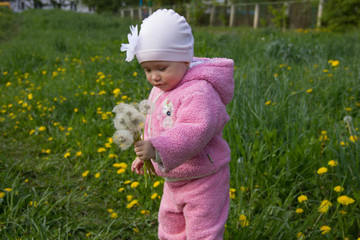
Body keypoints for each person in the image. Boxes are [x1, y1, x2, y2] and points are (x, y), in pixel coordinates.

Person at [121, 9, 234, 240]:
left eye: (161, 68)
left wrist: (157, 148)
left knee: (203, 231)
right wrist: (146, 154)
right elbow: (157, 123)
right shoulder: (161, 88)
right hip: (173, 179)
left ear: (184, 59)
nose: (154, 76)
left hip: (204, 178)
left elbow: (194, 130)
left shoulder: (199, 92)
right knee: (170, 225)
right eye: (147, 69)